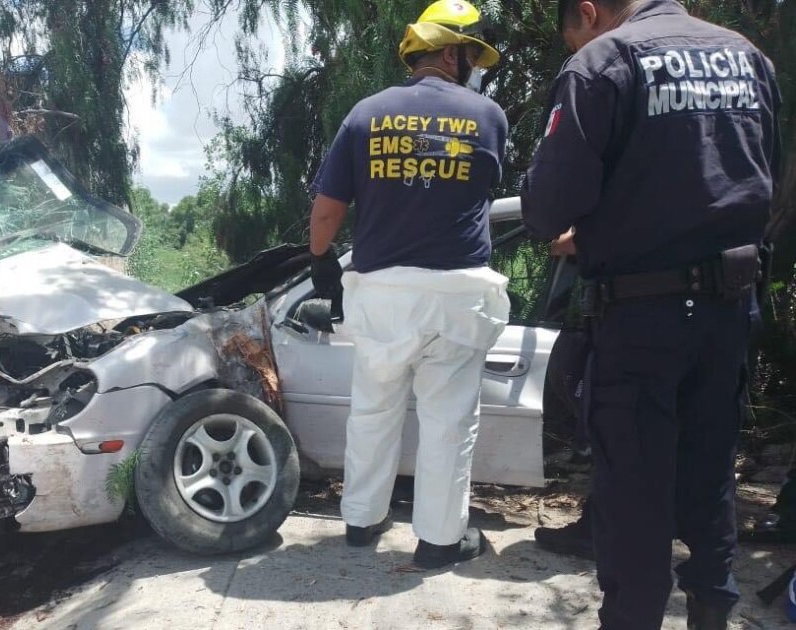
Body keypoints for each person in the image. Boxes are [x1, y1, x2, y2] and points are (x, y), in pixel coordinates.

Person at [521, 0, 781, 628]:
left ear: (588, 12)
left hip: (640, 317)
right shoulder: (747, 57)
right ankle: (712, 614)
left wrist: (593, 226)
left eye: (571, 37)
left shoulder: (602, 63)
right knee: (710, 477)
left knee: (634, 495)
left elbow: (548, 206)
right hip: (728, 311)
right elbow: (750, 178)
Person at [308, 0, 510, 570]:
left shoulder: (366, 113)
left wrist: (321, 260)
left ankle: (361, 521)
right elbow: (480, 191)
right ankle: (440, 540)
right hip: (456, 294)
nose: (473, 68)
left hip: (383, 293)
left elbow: (328, 208)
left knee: (373, 410)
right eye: (470, 56)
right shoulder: (487, 115)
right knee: (448, 421)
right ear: (450, 53)